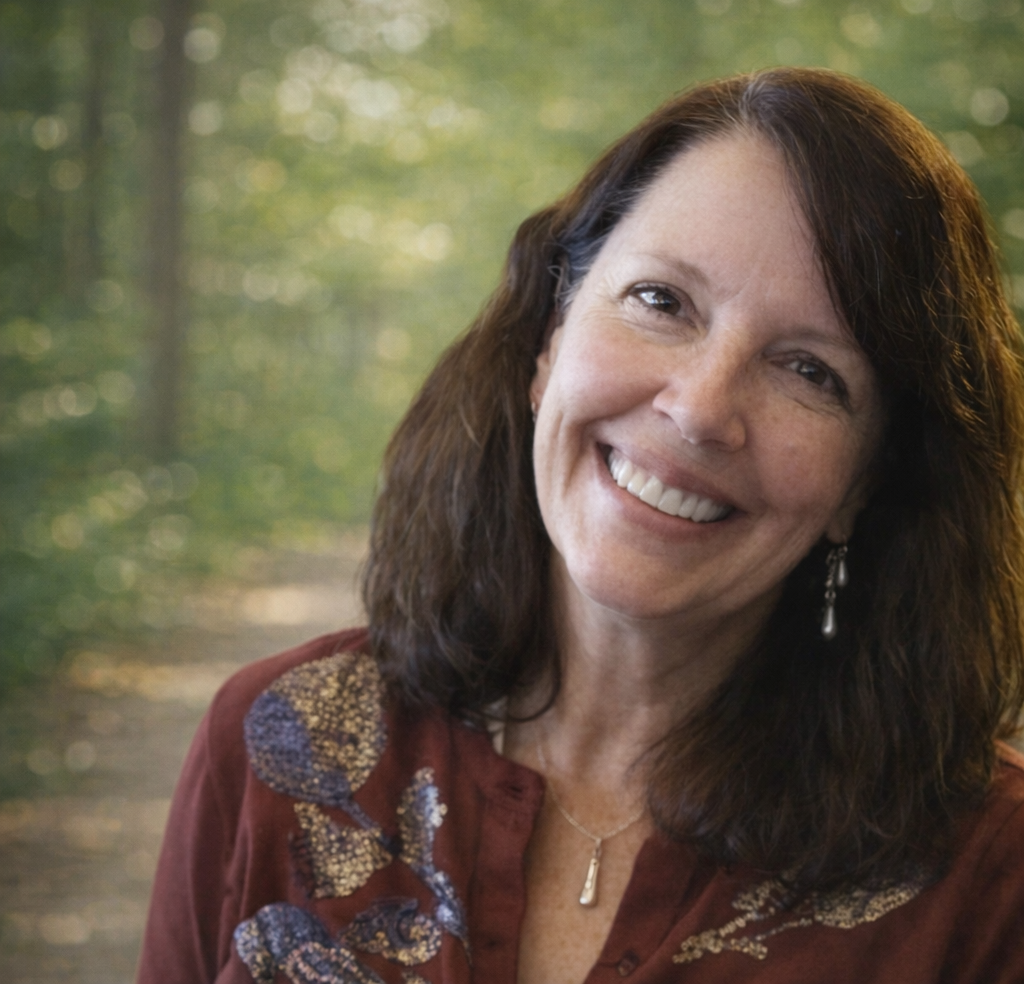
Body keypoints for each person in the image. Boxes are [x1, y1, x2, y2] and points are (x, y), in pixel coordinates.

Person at [137, 67, 1024, 984]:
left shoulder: (994, 880)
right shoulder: (276, 743)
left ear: (866, 483)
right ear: (550, 338)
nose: (698, 409)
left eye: (808, 369)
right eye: (661, 300)